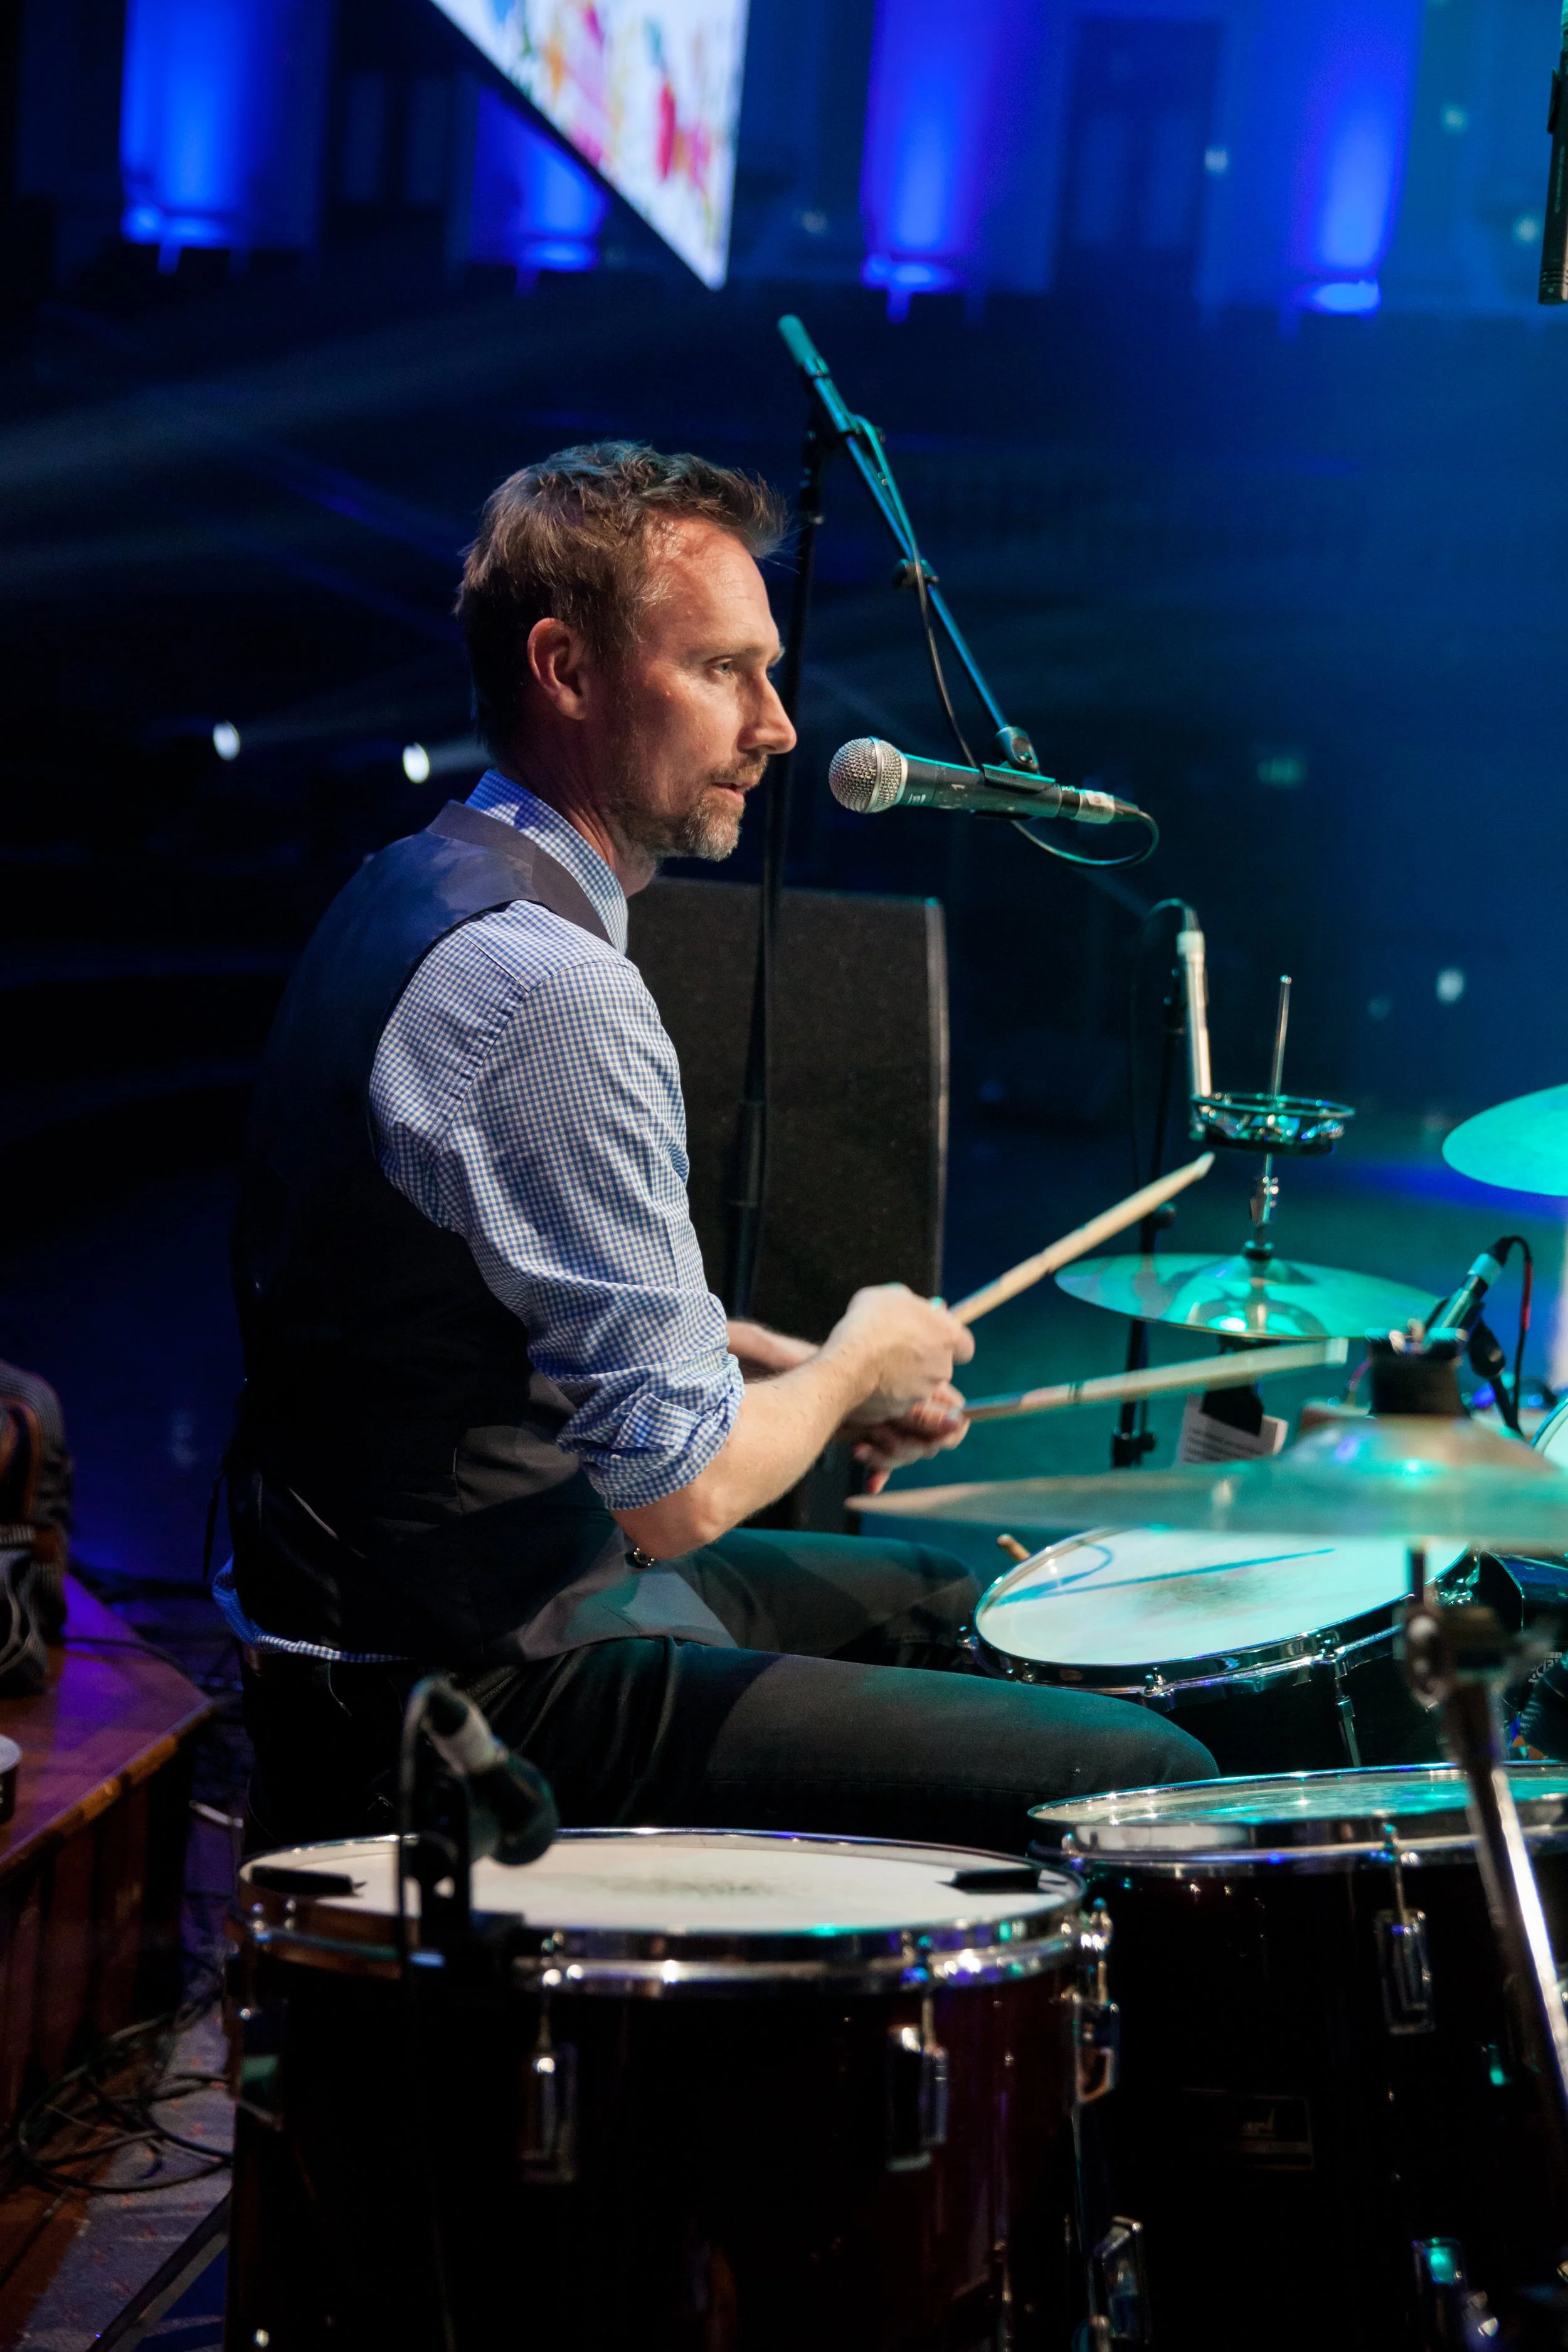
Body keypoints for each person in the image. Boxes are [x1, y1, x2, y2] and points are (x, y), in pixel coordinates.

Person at [222, 442, 1214, 1857]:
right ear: (565, 669)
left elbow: (452, 1308)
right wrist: (858, 1359)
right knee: (1148, 1774)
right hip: (463, 1691)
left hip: (413, 1611)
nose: (780, 726)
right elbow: (677, 1495)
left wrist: (768, 1365)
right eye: (722, 671)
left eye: (768, 673)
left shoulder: (414, 880)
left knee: (942, 1596)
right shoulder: (551, 987)